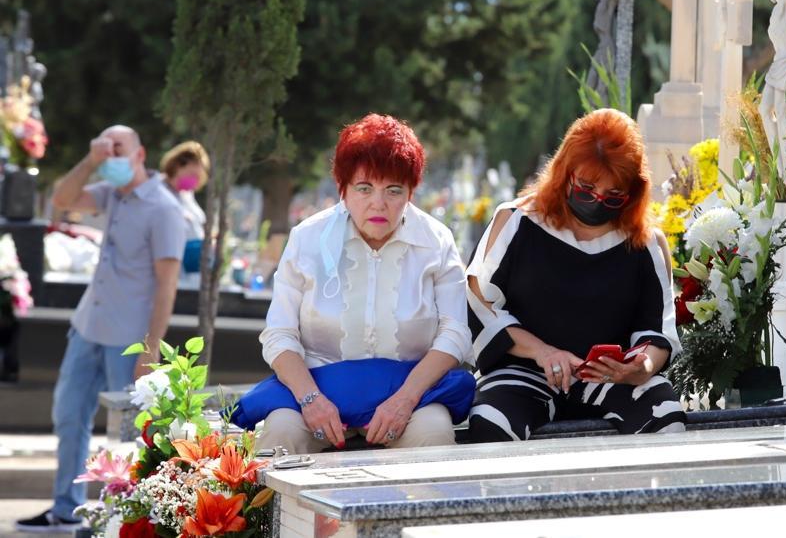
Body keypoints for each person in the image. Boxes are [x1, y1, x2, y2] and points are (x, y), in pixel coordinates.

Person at [255, 114, 472, 454]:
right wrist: (311, 400)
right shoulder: (307, 239)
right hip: (316, 392)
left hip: (410, 396)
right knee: (280, 435)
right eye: (364, 188)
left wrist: (404, 400)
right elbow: (279, 333)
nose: (378, 203)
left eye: (393, 190)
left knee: (433, 433)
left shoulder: (437, 241)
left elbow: (455, 332)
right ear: (343, 189)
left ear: (411, 192)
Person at [466, 109, 685, 442]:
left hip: (612, 378)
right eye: (586, 189)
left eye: (613, 196)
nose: (597, 202)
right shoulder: (518, 222)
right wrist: (543, 352)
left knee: (665, 416)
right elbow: (479, 303)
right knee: (492, 420)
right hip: (526, 371)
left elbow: (656, 331)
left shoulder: (645, 243)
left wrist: (639, 368)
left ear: (633, 192)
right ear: (564, 174)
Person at [18, 126, 185, 532]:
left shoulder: (164, 209)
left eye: (118, 150)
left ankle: (119, 517)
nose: (111, 157)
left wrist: (150, 348)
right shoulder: (113, 194)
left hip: (127, 341)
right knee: (68, 416)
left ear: (141, 153)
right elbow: (61, 199)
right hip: (87, 327)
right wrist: (92, 159)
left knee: (126, 435)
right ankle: (65, 508)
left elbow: (167, 285)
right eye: (104, 149)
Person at [160, 141, 210, 240]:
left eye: (198, 177)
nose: (194, 181)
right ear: (177, 166)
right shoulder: (157, 190)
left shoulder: (187, 194)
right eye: (192, 174)